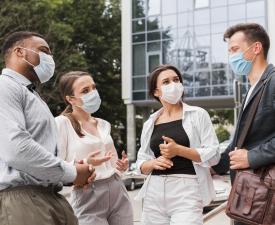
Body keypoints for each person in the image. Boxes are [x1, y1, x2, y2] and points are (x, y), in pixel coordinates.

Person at [0, 31, 96, 225]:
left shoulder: (31, 95)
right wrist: (72, 172)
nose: (50, 59)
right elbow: (16, 149)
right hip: (24, 202)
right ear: (19, 52)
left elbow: (38, 149)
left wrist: (72, 171)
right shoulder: (6, 87)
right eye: (44, 51)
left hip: (48, 197)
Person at [135, 64, 220, 225]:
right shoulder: (150, 123)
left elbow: (214, 155)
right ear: (156, 92)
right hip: (154, 190)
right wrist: (153, 163)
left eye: (176, 80)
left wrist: (178, 150)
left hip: (187, 189)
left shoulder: (198, 114)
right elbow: (141, 162)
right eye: (166, 82)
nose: (173, 85)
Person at [213, 23, 275, 225]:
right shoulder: (250, 90)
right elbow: (238, 143)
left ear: (256, 48)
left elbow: (247, 151)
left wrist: (252, 156)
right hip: (249, 198)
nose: (231, 57)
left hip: (267, 199)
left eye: (235, 50)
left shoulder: (273, 82)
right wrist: (213, 165)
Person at [55, 71, 133, 225]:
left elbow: (113, 163)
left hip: (117, 189)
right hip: (87, 193)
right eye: (85, 91)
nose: (93, 93)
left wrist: (122, 167)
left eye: (93, 88)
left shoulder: (104, 124)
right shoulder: (61, 123)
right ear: (70, 99)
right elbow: (56, 165)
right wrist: (84, 163)